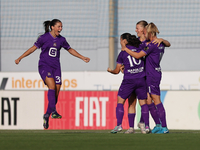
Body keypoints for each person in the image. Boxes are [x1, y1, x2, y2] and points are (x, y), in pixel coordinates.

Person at [15, 19, 90, 129]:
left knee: (56, 94)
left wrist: (82, 57)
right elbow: (32, 49)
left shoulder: (62, 39)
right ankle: (54, 111)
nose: (60, 28)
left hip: (56, 68)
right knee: (52, 86)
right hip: (44, 66)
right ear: (52, 27)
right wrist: (20, 58)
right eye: (59, 26)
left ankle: (46, 115)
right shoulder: (43, 38)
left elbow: (70, 49)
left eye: (61, 27)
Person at [121, 22, 169, 134]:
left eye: (143, 31)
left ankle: (164, 127)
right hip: (152, 74)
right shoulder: (159, 43)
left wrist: (125, 49)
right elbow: (168, 44)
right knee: (148, 99)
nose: (141, 32)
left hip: (152, 75)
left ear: (149, 32)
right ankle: (156, 124)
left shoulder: (152, 45)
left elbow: (138, 55)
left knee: (156, 100)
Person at [107, 33, 150, 134]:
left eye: (121, 40)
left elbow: (116, 71)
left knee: (121, 102)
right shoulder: (140, 48)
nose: (120, 42)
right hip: (141, 79)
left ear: (125, 41)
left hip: (129, 81)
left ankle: (119, 125)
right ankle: (145, 127)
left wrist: (110, 70)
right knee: (142, 103)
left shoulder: (122, 53)